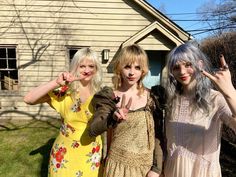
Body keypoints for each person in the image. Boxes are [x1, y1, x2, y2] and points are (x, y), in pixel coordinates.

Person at [24, 48, 104, 177]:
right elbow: (28, 99)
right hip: (65, 155)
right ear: (75, 67)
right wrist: (56, 82)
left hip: (91, 155)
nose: (87, 70)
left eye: (91, 66)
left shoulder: (101, 94)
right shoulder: (64, 91)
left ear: (96, 69)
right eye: (82, 66)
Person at [88, 44, 164, 177]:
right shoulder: (110, 97)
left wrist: (156, 168)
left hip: (145, 169)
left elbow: (158, 136)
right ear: (119, 68)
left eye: (137, 67)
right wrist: (113, 117)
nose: (132, 73)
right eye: (127, 66)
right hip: (118, 168)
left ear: (143, 70)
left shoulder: (153, 97)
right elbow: (93, 129)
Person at [163, 42, 236, 177]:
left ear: (200, 65)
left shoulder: (216, 99)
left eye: (188, 65)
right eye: (176, 67)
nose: (182, 72)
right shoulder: (171, 101)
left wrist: (229, 92)